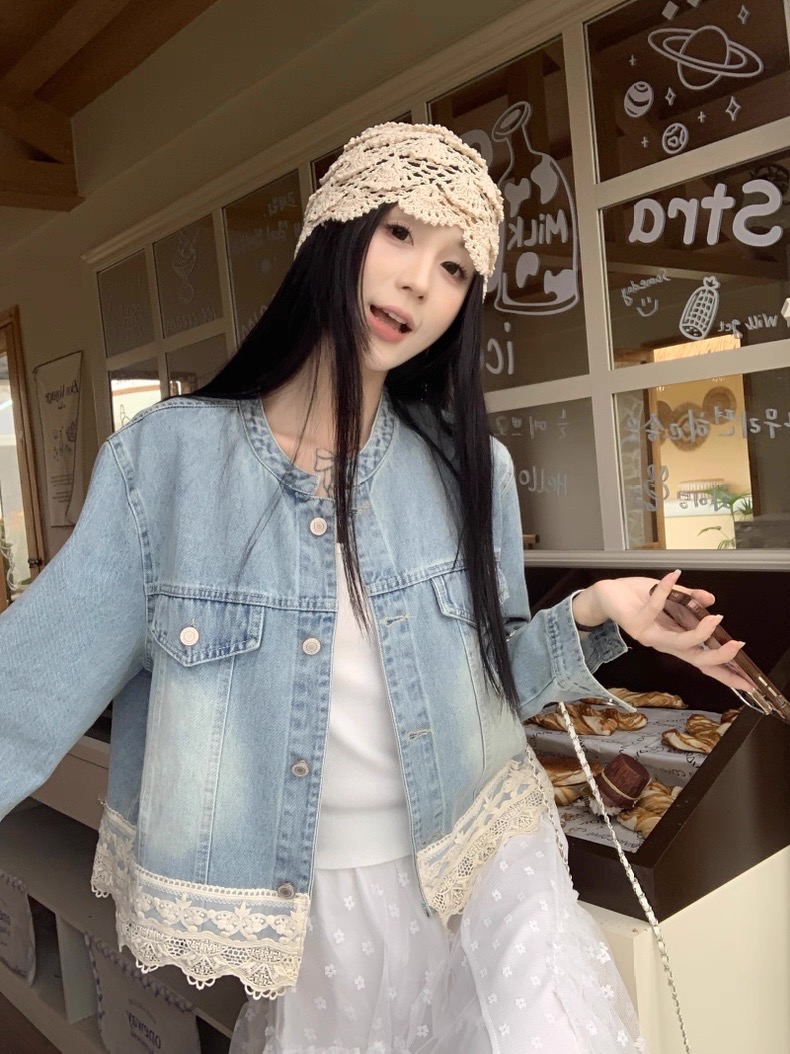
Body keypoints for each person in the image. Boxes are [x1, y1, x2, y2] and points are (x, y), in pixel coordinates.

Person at [0, 123, 749, 1054]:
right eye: (401, 233)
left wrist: (599, 612)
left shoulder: (472, 469)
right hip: (323, 905)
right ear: (337, 228)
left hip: (485, 851)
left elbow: (489, 683)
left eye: (455, 268)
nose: (420, 283)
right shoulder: (169, 466)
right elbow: (25, 694)